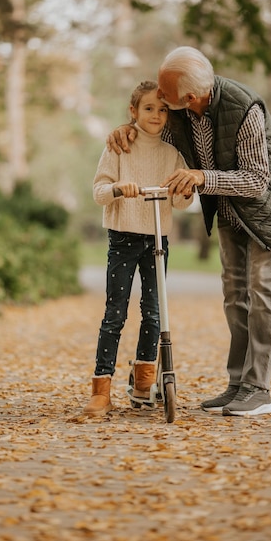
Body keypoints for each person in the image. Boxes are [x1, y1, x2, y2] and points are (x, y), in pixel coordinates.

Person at [106, 46, 271, 417]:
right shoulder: (182, 113)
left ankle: (258, 389)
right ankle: (237, 385)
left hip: (269, 207)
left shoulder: (244, 109)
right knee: (234, 294)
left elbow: (257, 181)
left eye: (167, 96)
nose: (161, 102)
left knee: (262, 292)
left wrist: (202, 177)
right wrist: (124, 130)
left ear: (191, 98)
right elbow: (150, 130)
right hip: (230, 209)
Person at [83, 80, 193, 417]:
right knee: (115, 311)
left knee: (154, 311)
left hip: (158, 237)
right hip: (124, 236)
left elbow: (180, 202)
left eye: (162, 110)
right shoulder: (119, 146)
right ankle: (101, 389)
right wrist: (118, 188)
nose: (156, 115)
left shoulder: (172, 153)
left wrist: (185, 191)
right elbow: (99, 191)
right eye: (149, 109)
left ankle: (144, 381)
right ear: (134, 111)